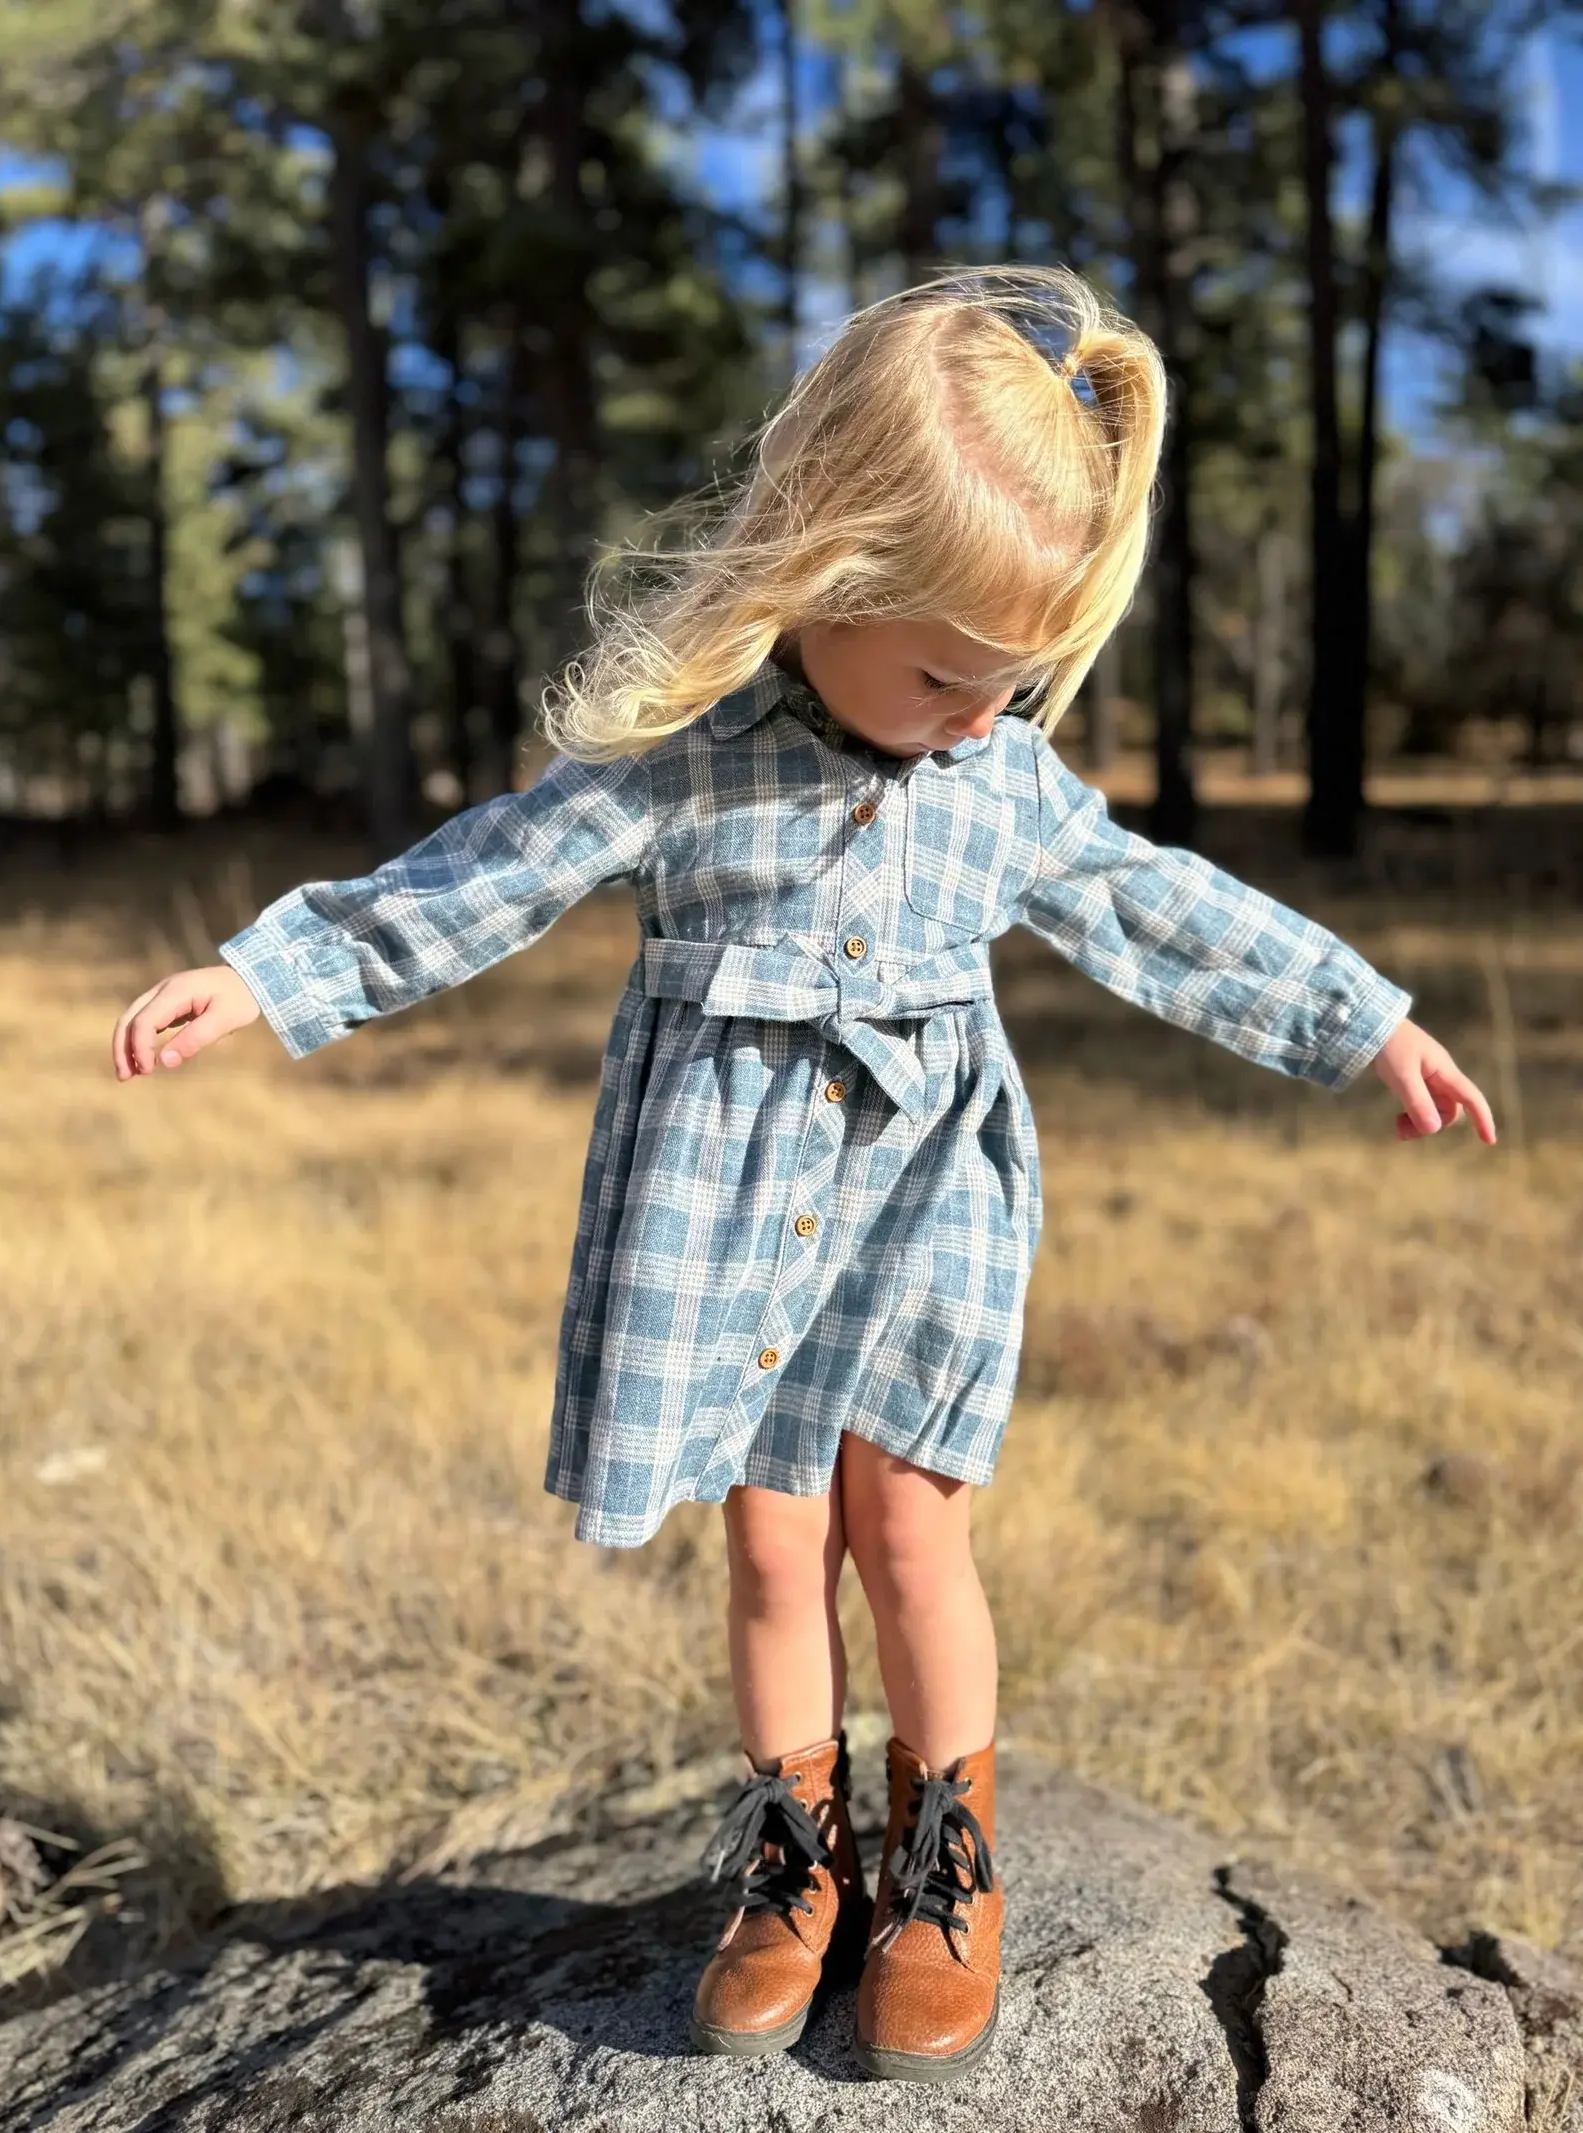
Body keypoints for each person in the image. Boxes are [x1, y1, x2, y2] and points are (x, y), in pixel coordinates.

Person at [111, 266, 1496, 2087]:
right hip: (722, 1205)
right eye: (944, 674)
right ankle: (793, 1859)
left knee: (909, 1520)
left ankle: (946, 1864)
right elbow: (481, 876)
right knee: (772, 1535)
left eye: (1015, 683)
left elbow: (1163, 907)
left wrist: (1362, 1018)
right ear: (821, 576)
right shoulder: (684, 766)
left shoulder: (999, 779)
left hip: (929, 1188)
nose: (980, 715)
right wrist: (267, 978)